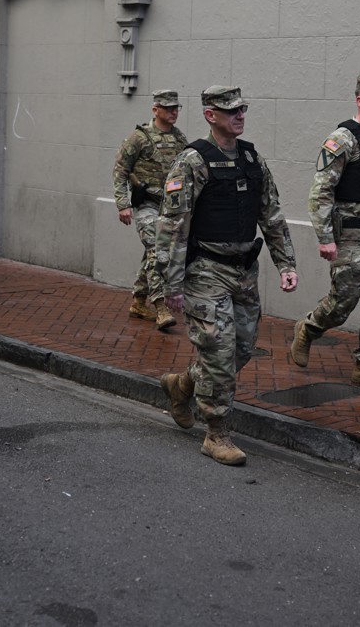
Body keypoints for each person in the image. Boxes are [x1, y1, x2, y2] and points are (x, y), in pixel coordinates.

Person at [154, 85, 298, 466]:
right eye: (230, 110)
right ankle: (216, 434)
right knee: (218, 352)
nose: (239, 115)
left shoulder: (252, 158)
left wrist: (286, 263)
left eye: (242, 109)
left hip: (243, 272)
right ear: (209, 115)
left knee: (242, 349)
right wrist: (170, 285)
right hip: (205, 271)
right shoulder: (192, 161)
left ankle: (181, 385)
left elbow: (272, 214)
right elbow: (173, 226)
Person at [288, 74, 360, 389]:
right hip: (351, 236)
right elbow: (320, 193)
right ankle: (309, 329)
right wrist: (325, 238)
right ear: (359, 100)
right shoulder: (342, 139)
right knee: (342, 304)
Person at [112, 89, 189, 330]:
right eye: (168, 108)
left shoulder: (179, 139)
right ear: (155, 110)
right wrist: (123, 204)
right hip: (146, 206)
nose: (173, 112)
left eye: (176, 108)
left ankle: (138, 301)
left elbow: (187, 171)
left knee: (152, 252)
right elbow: (120, 170)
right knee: (158, 251)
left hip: (169, 208)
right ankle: (161, 307)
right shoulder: (140, 137)